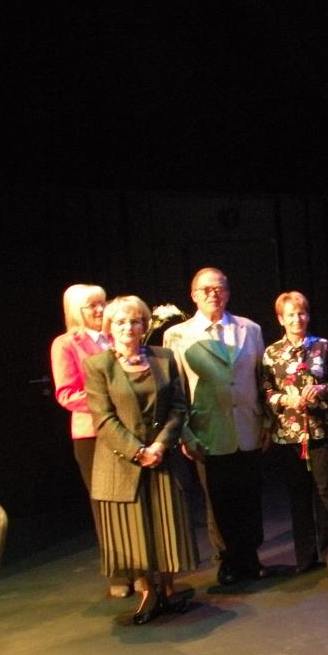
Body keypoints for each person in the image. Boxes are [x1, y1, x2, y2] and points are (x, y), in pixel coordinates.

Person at [84, 297, 198, 624]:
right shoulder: (98, 365)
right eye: (120, 322)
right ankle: (148, 591)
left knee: (167, 525)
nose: (128, 328)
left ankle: (169, 588)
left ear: (144, 325)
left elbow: (179, 406)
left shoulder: (164, 358)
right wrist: (138, 451)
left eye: (135, 321)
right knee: (135, 532)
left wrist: (160, 445)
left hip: (163, 457)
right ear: (110, 327)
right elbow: (103, 418)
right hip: (123, 463)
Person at [164, 267, 270, 586]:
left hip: (248, 425)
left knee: (250, 495)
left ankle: (251, 557)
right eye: (206, 289)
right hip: (208, 429)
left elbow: (262, 379)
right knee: (219, 499)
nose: (214, 294)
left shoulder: (250, 328)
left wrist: (267, 421)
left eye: (219, 288)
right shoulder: (177, 335)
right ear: (194, 295)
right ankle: (228, 560)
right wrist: (185, 433)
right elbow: (176, 389)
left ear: (228, 292)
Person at [51, 283, 132, 598]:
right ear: (76, 311)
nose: (101, 310)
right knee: (105, 504)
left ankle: (142, 568)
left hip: (128, 431)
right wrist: (110, 403)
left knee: (132, 502)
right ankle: (119, 572)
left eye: (103, 303)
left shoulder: (118, 336)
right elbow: (67, 394)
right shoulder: (66, 344)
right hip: (93, 435)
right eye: (92, 306)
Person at [262, 291, 328, 574]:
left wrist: (322, 389)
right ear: (280, 319)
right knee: (299, 496)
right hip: (290, 435)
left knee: (326, 492)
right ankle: (305, 557)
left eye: (301, 313)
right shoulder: (271, 353)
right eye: (290, 315)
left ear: (308, 316)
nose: (297, 319)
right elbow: (266, 391)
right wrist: (285, 399)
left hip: (322, 431)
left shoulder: (322, 346)